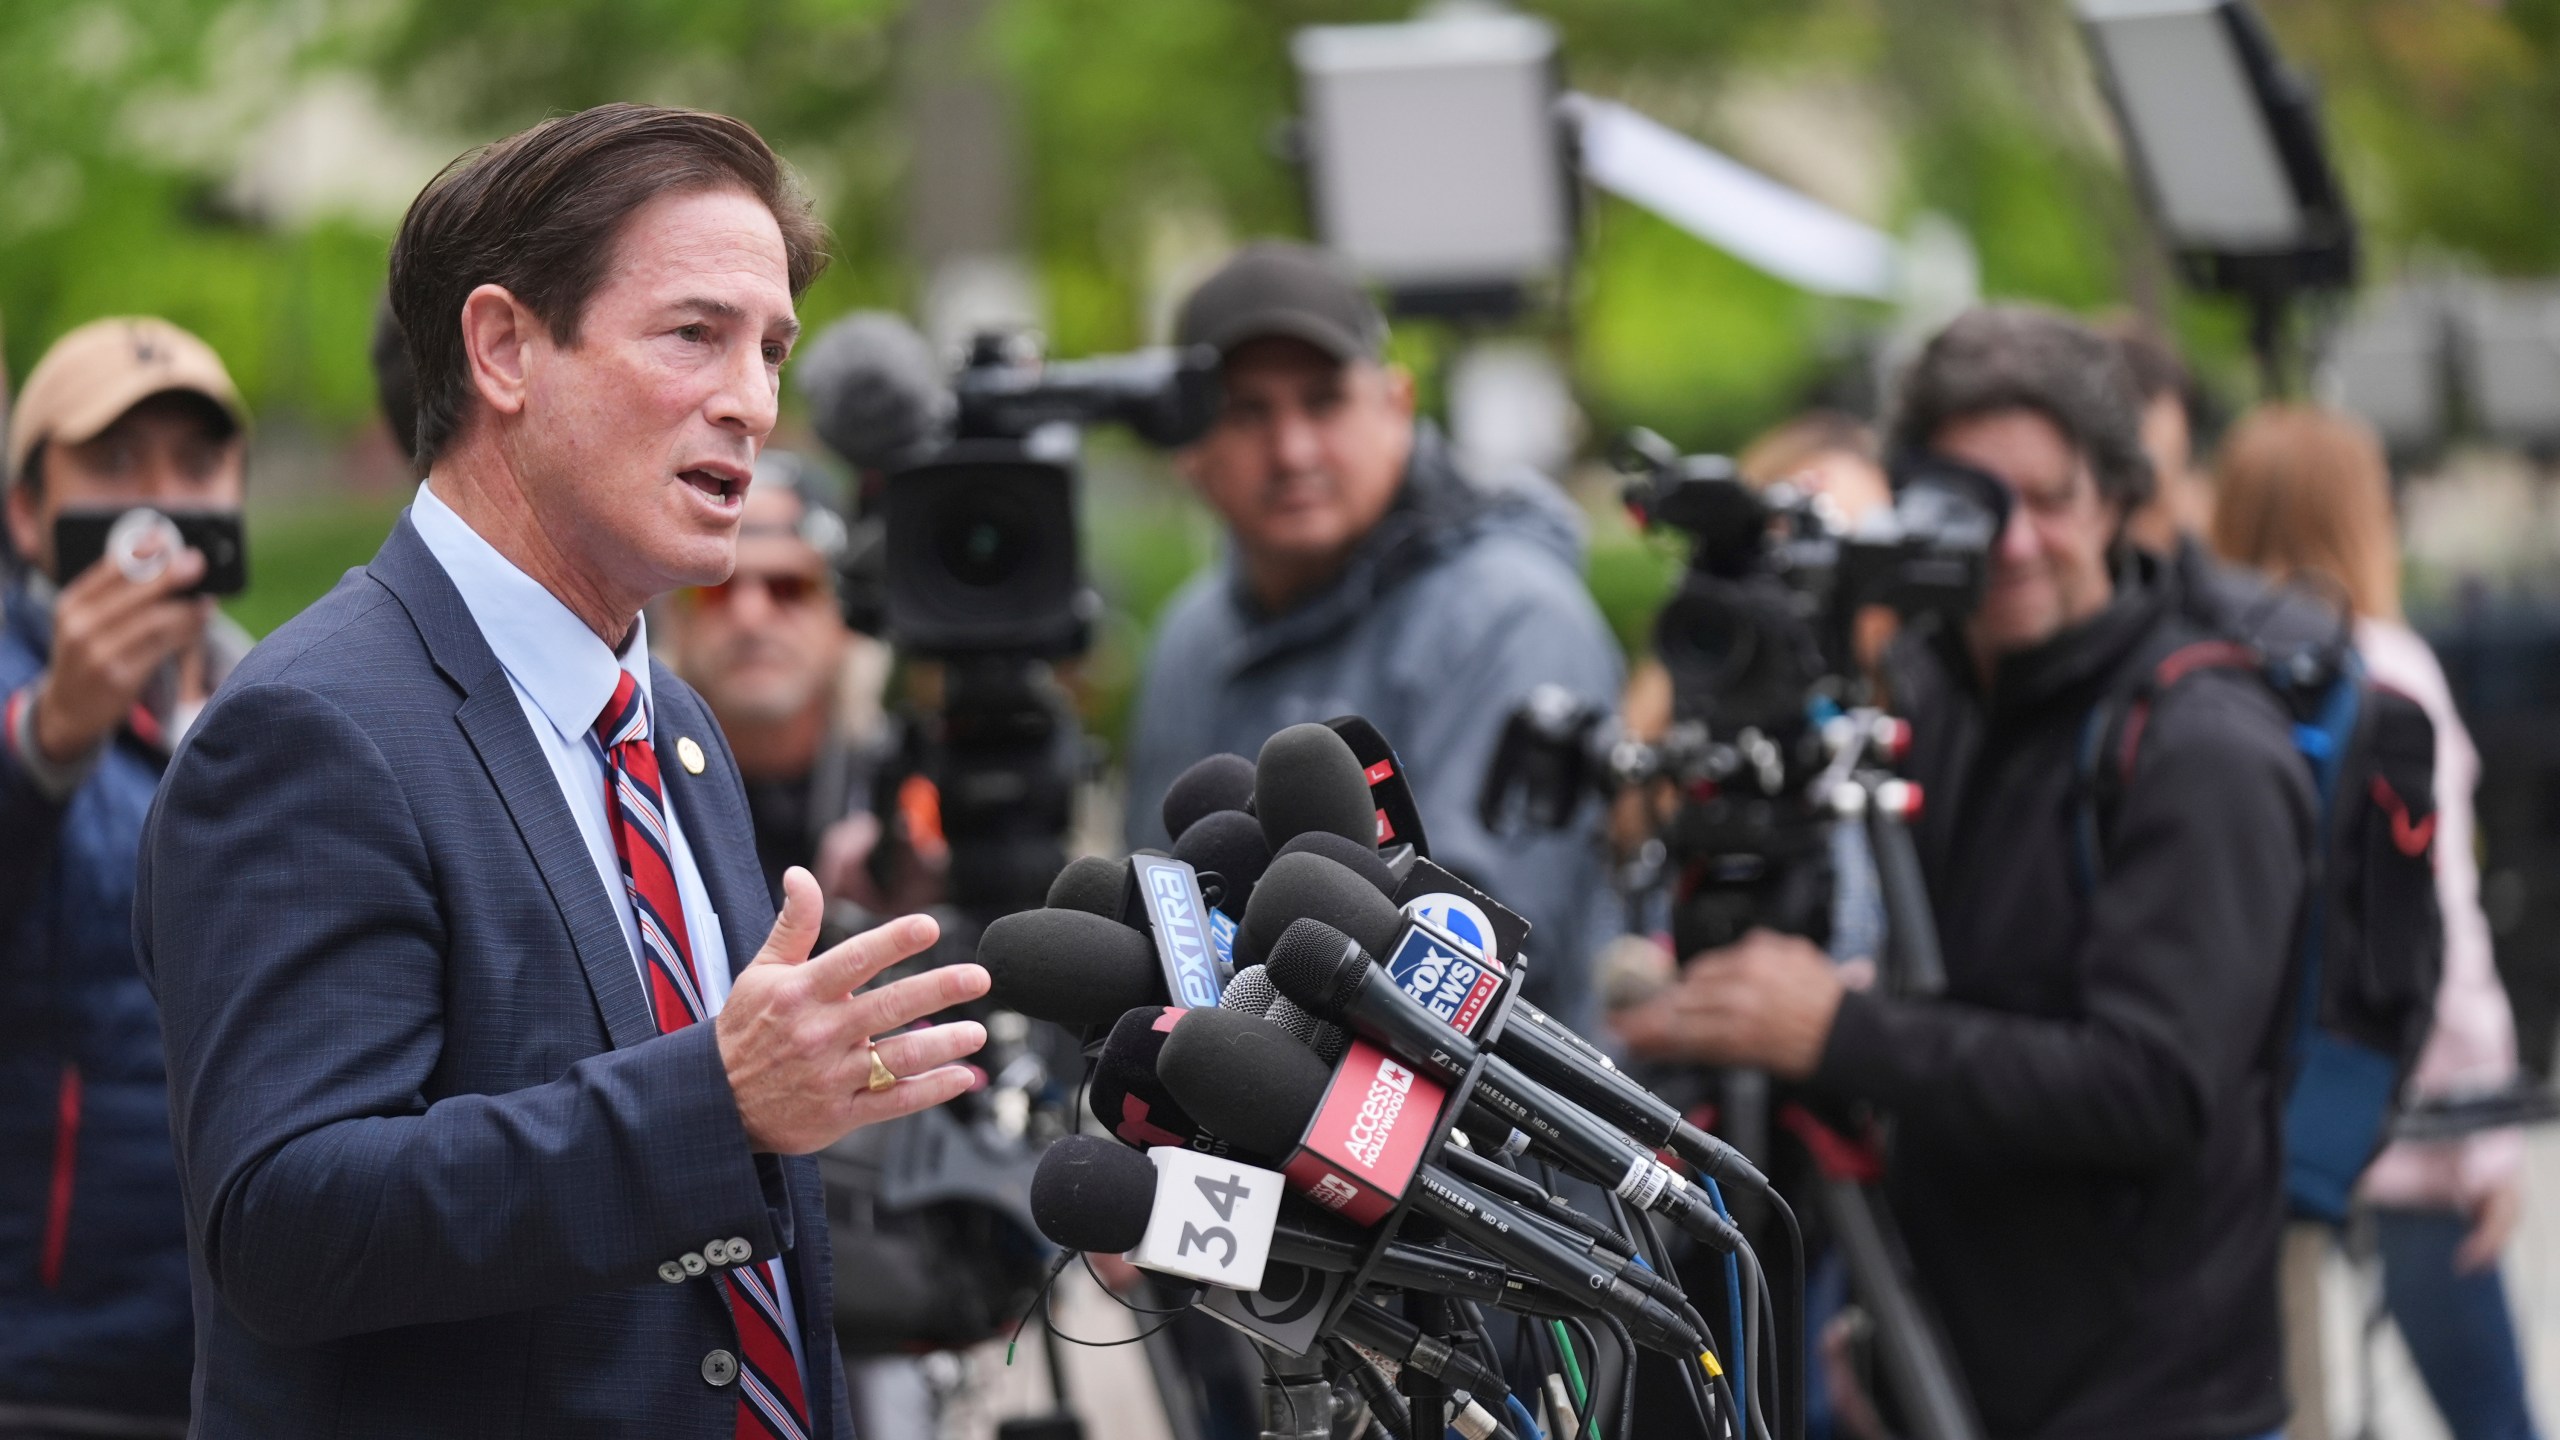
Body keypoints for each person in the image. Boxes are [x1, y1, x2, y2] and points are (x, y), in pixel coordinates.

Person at [133, 103, 990, 1438]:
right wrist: (716, 1101)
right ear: (504, 349)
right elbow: (284, 1225)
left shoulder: (678, 731)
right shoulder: (310, 728)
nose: (754, 402)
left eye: (772, 349)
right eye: (694, 334)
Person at [1617, 306, 2314, 1440]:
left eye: (2050, 499)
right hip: (1945, 1371)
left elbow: (2154, 1085)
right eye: (1972, 505)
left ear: (2114, 495)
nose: (2015, 541)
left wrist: (1838, 1036)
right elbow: (1954, 1013)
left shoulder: (2204, 745)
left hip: (2153, 1404)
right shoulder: (1938, 697)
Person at [1123, 241, 1622, 1027]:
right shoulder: (1189, 635)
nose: (1292, 451)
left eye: (1323, 402)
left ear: (1397, 403)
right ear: (1190, 449)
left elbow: (1474, 968)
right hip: (1225, 1119)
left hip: (1487, 1139)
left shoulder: (1512, 616)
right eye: (1247, 412)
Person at [2214, 405, 2538, 1440]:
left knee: (2285, 1404)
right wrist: (2482, 1139)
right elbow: (2438, 927)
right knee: (2491, 1413)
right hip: (2395, 1114)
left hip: (2245, 1124)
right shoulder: (2388, 671)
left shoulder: (2197, 666)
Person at [2, 317, 255, 1439]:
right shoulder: (27, 697)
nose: (161, 507)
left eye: (196, 466)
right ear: (25, 509)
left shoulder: (289, 700)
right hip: (47, 1360)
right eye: (112, 467)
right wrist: (49, 743)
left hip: (251, 1354)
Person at [656, 451, 904, 913]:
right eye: (716, 587)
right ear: (677, 620)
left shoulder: (909, 788)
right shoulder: (624, 791)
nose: (751, 617)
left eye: (789, 587)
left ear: (847, 617)